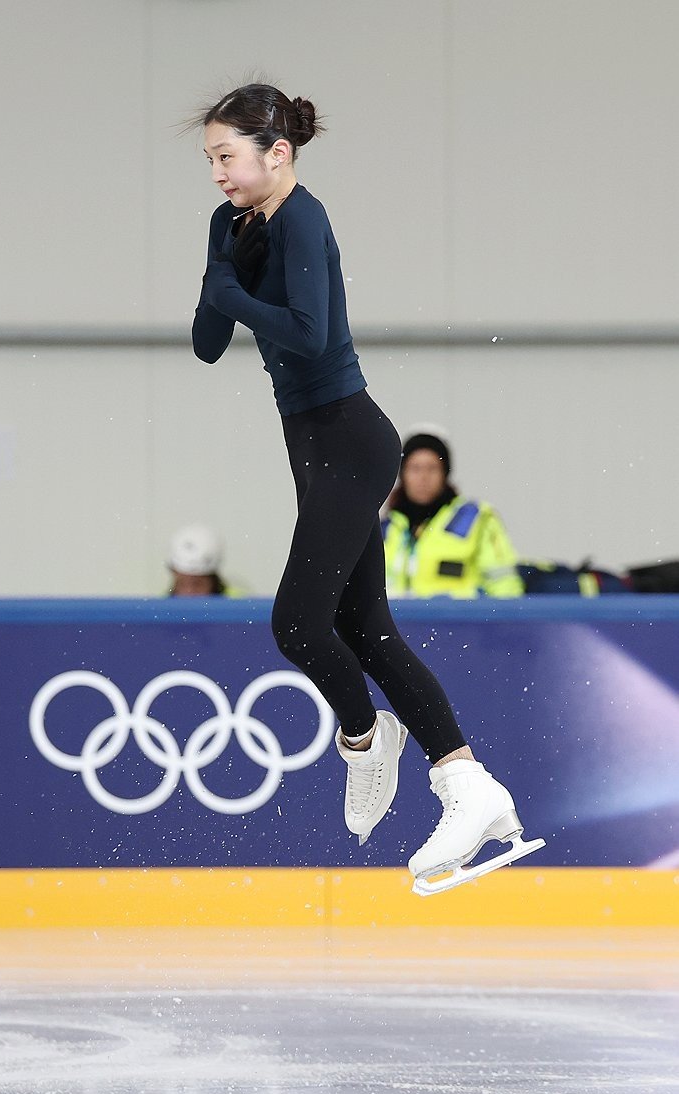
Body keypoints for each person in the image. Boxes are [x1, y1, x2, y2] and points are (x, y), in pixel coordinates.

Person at [184, 81, 543, 895]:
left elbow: (311, 336)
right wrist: (221, 264)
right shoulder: (230, 223)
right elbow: (208, 342)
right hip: (311, 451)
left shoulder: (305, 217)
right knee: (368, 630)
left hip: (351, 441)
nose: (216, 175)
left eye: (226, 157)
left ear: (277, 153)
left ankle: (364, 738)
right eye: (209, 160)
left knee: (297, 626)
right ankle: (468, 786)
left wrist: (235, 290)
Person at [382, 429, 524, 598]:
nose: (423, 477)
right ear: (402, 475)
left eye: (432, 468)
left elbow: (504, 586)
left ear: (445, 474)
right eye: (415, 468)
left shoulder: (476, 519)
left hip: (458, 623)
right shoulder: (386, 529)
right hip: (401, 623)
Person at [166, 524, 245, 597]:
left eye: (197, 584)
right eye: (182, 583)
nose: (188, 592)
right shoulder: (161, 608)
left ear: (213, 581)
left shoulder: (240, 606)